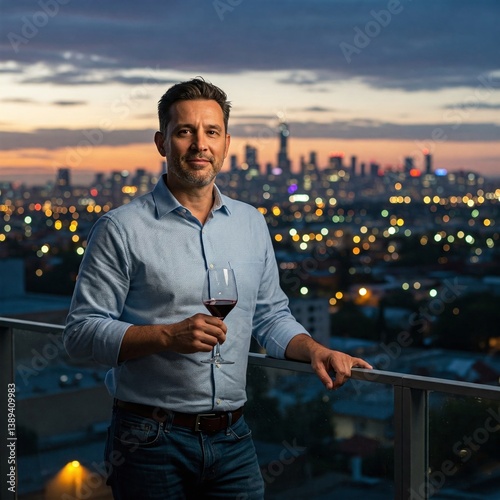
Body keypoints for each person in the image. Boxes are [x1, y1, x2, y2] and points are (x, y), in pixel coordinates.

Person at [63, 78, 372, 499]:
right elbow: (80, 337)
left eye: (210, 132)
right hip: (147, 440)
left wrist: (315, 350)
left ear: (226, 143)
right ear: (162, 141)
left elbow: (270, 317)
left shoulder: (251, 222)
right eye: (184, 131)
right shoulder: (121, 229)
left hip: (235, 439)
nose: (199, 144)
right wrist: (168, 336)